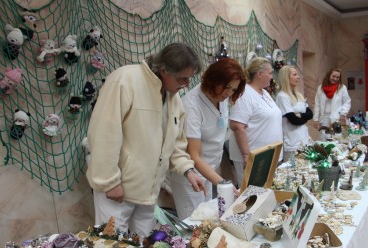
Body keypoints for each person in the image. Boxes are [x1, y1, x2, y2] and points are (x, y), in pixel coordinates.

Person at [86, 43, 206, 236]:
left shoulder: (174, 99)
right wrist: (109, 182)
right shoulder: (125, 80)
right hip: (117, 191)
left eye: (189, 79)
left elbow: (174, 144)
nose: (186, 85)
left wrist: (187, 170)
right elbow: (103, 133)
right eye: (182, 79)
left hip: (148, 194)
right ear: (164, 71)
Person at [169, 58, 246, 220]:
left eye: (233, 89)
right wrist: (223, 183)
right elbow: (194, 156)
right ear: (213, 80)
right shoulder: (192, 105)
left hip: (209, 172)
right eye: (226, 87)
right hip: (190, 176)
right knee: (194, 223)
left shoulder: (221, 99)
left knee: (209, 219)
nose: (228, 93)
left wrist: (217, 180)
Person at [229, 57, 283, 186]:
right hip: (254, 158)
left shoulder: (264, 93)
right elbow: (237, 126)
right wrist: (247, 155)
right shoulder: (244, 94)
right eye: (270, 73)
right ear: (259, 74)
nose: (272, 76)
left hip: (269, 156)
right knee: (251, 197)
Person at [276, 65, 313, 162]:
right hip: (292, 142)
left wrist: (300, 115)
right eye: (295, 74)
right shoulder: (282, 96)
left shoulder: (298, 94)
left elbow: (310, 114)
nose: (298, 77)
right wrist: (302, 117)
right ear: (286, 78)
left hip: (304, 138)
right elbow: (294, 120)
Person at [312, 67, 351, 131]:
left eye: (337, 77)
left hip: (337, 118)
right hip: (324, 119)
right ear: (329, 75)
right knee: (324, 139)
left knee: (337, 138)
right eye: (333, 76)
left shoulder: (342, 88)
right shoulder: (321, 88)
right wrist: (315, 119)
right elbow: (317, 104)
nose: (335, 79)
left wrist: (343, 114)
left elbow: (347, 102)